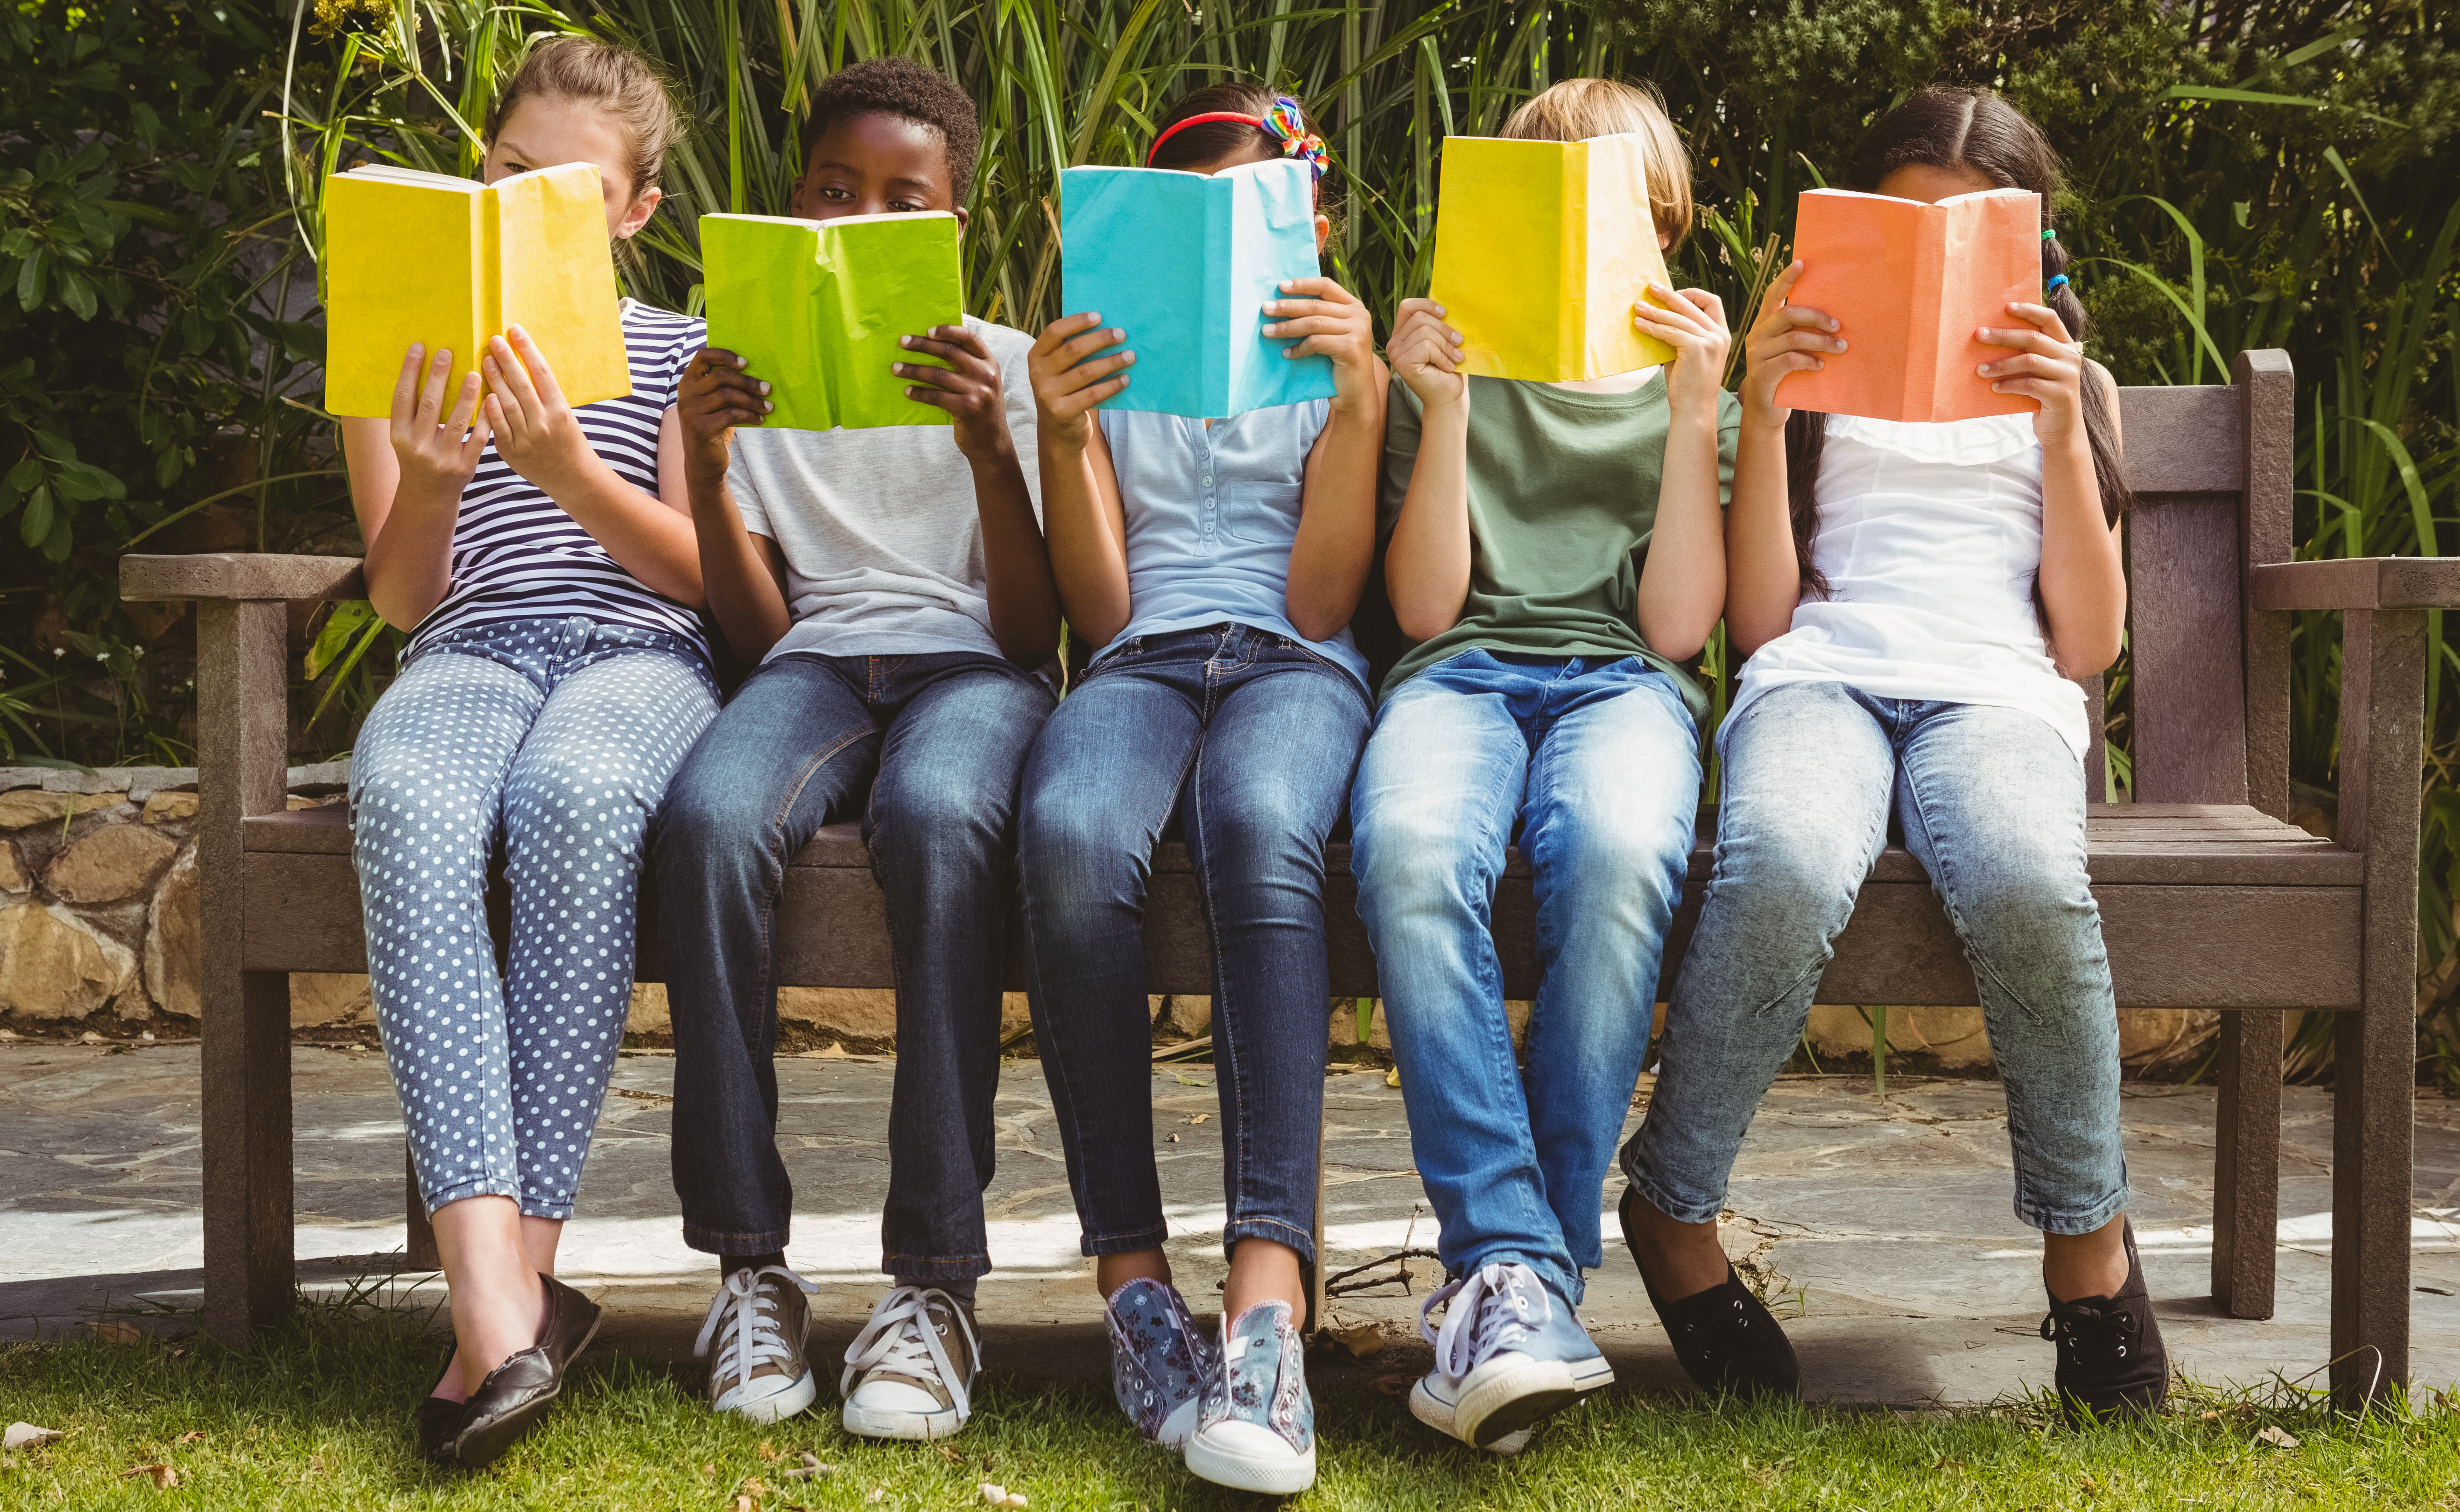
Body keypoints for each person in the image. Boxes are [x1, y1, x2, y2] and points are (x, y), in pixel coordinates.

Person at [1618, 84, 2165, 1419]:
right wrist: (1758, 408)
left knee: (2030, 882)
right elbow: (1757, 626)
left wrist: (2053, 431)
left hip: (1998, 692)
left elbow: (2087, 644)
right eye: (1902, 232)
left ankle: (2089, 1252)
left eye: (1968, 234)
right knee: (1789, 861)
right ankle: (1673, 1213)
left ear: (2031, 250)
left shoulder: (2068, 384)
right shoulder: (1814, 385)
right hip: (1827, 675)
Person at [656, 56, 1058, 1442]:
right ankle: (748, 1268)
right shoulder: (746, 373)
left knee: (946, 817)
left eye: (904, 200)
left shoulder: (1000, 365)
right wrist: (707, 473)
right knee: (709, 818)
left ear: (952, 222)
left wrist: (989, 449)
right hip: (814, 662)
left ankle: (933, 1283)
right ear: (796, 203)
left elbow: (1026, 633)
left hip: (970, 668)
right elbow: (759, 634)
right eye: (837, 190)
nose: (862, 214)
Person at [338, 35, 717, 1469]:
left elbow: (701, 583)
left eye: (561, 186)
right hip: (473, 645)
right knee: (404, 789)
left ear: (628, 211)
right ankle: (503, 1305)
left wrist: (569, 470)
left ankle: (502, 1305)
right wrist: (435, 480)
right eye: (503, 171)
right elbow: (401, 596)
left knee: (575, 797)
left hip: (639, 655)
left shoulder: (680, 355)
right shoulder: (399, 355)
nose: (519, 195)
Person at [1345, 77, 1738, 1451]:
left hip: (1623, 681)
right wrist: (1442, 409)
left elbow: (1680, 630)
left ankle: (1519, 1278)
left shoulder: (1690, 377)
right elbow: (1425, 614)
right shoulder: (1448, 360)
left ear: (1663, 220)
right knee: (1404, 851)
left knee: (1626, 850)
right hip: (1460, 671)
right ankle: (1521, 1270)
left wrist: (1695, 417)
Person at [1014, 86, 1380, 1496]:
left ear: (1309, 226)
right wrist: (1063, 434)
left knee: (1263, 826)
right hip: (1143, 658)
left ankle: (1268, 1307)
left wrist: (1355, 403)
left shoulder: (1330, 369)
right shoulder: (1118, 365)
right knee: (1069, 832)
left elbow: (1324, 596)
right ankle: (1134, 1290)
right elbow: (1102, 614)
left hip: (1294, 657)